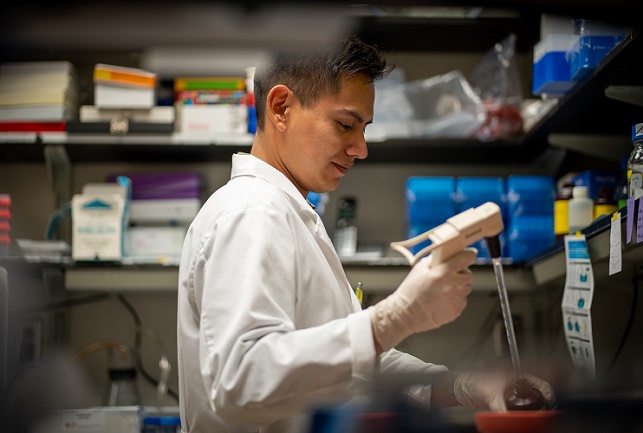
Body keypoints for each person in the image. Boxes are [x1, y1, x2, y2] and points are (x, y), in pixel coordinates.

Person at [177, 35, 554, 433]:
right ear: (280, 107)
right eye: (345, 125)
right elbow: (239, 386)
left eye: (364, 129)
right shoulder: (253, 213)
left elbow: (357, 364)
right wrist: (389, 321)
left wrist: (461, 385)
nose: (361, 148)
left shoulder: (289, 214)